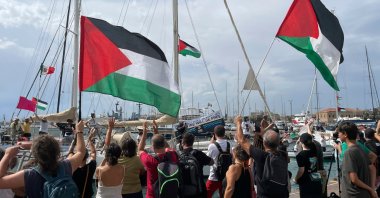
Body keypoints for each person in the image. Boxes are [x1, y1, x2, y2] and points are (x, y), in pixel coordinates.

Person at [0, 120, 86, 197]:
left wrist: (7, 155)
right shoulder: (66, 166)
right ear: (57, 151)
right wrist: (79, 132)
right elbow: (81, 152)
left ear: (35, 154)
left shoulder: (29, 175)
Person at [235, 115, 289, 198]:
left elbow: (242, 140)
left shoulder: (261, 156)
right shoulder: (283, 155)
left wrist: (238, 123)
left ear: (264, 143)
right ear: (278, 142)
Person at [138, 121, 178, 198]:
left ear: (153, 147)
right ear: (164, 143)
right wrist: (157, 133)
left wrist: (145, 132)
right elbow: (167, 146)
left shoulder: (150, 161)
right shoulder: (173, 155)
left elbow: (140, 150)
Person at [338, 121, 377, 198]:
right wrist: (371, 189)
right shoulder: (361, 149)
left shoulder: (349, 152)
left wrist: (371, 190)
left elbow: (354, 179)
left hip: (353, 194)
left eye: (339, 132)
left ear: (345, 134)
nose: (338, 135)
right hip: (364, 194)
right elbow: (372, 168)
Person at [96, 118, 124, 198]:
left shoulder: (100, 170)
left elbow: (106, 146)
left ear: (108, 154)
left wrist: (110, 128)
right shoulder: (122, 169)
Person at [181, 132, 214, 198]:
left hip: (184, 191)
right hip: (199, 190)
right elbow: (211, 162)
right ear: (193, 142)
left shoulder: (178, 155)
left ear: (183, 142)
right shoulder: (198, 154)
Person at [71, 128, 97, 198]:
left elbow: (70, 153)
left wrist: (76, 138)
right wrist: (90, 139)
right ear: (87, 157)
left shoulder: (71, 169)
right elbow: (93, 152)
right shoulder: (91, 167)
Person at [206, 125, 231, 198]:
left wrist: (211, 143)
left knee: (206, 195)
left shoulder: (212, 146)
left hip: (214, 176)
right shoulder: (229, 144)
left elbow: (207, 160)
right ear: (224, 133)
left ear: (214, 134)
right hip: (226, 177)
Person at [294, 133, 322, 198]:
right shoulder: (314, 150)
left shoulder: (300, 155)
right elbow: (311, 141)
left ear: (301, 142)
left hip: (306, 182)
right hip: (316, 179)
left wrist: (296, 179)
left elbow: (301, 170)